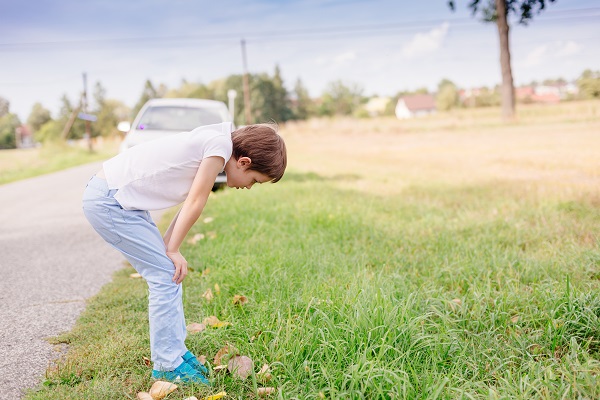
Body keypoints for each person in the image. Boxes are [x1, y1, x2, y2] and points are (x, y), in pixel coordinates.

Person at [82, 122, 286, 384]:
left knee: (170, 271)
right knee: (166, 275)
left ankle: (176, 353)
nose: (249, 187)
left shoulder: (219, 141)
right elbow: (196, 201)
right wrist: (173, 249)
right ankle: (167, 364)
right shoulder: (219, 146)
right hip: (109, 201)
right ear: (244, 162)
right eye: (255, 181)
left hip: (121, 200)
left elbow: (191, 198)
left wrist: (169, 248)